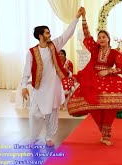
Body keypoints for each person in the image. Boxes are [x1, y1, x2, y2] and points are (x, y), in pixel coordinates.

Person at [67, 9, 122, 146]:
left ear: (108, 39)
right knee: (93, 106)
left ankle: (107, 134)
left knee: (109, 107)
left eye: (104, 37)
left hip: (109, 79)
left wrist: (109, 71)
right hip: (93, 80)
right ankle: (102, 130)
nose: (101, 39)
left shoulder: (115, 53)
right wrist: (84, 18)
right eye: (99, 37)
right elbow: (87, 35)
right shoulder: (94, 49)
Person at [21, 8, 83, 146]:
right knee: (34, 113)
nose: (50, 34)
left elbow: (67, 34)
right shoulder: (32, 52)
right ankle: (33, 136)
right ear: (40, 35)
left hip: (53, 86)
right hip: (39, 86)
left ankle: (48, 137)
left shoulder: (54, 45)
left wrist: (76, 18)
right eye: (47, 32)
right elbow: (26, 70)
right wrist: (24, 86)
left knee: (52, 113)